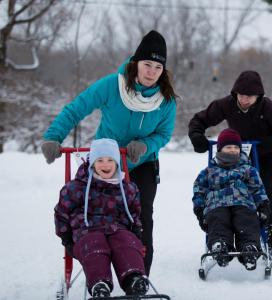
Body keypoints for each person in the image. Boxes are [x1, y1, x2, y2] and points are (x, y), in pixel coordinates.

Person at [41, 30, 177, 275]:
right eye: (147, 64)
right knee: (97, 216)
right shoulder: (112, 85)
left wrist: (146, 145)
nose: (151, 72)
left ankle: (138, 277)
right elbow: (75, 109)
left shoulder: (166, 100)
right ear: (136, 63)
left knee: (141, 219)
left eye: (158, 67)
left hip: (141, 163)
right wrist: (53, 136)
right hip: (105, 162)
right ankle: (97, 266)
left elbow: (164, 134)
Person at [188, 70, 272, 259]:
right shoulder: (226, 105)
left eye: (250, 96)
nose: (244, 99)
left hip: (268, 154)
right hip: (237, 155)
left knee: (267, 194)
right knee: (231, 194)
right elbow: (199, 120)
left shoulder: (268, 107)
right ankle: (227, 239)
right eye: (241, 95)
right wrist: (197, 136)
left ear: (258, 96)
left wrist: (271, 142)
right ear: (235, 93)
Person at [54, 139, 148, 297]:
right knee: (94, 244)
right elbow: (62, 213)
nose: (106, 165)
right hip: (86, 232)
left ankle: (133, 278)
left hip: (118, 229)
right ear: (91, 163)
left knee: (126, 242)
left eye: (110, 160)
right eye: (100, 160)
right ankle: (100, 283)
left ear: (117, 163)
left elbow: (134, 212)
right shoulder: (76, 188)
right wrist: (67, 239)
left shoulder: (127, 189)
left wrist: (136, 229)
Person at [192, 128, 271, 270]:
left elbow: (258, 189)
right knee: (218, 221)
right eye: (229, 147)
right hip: (216, 205)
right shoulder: (208, 172)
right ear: (220, 149)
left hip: (243, 202)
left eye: (236, 147)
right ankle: (220, 246)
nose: (233, 150)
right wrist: (199, 209)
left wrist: (263, 205)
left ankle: (249, 248)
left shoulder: (248, 170)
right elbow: (199, 191)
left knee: (246, 220)